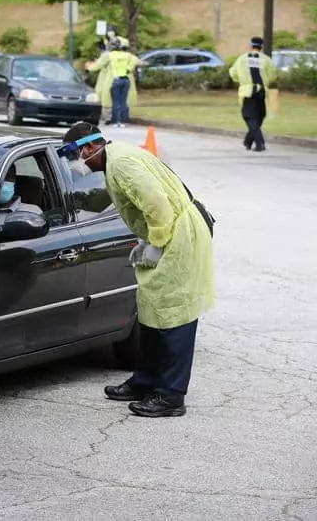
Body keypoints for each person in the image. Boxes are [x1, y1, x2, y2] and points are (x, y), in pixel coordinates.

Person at [59, 122, 214, 417]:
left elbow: (156, 204)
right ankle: (146, 381)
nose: (76, 163)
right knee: (152, 309)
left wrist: (155, 241)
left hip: (178, 237)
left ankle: (170, 396)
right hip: (168, 233)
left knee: (174, 315)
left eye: (75, 155)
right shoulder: (115, 160)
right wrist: (146, 239)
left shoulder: (121, 164)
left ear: (91, 147)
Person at [229, 36, 276, 152]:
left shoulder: (241, 59)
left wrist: (242, 81)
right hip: (261, 92)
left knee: (249, 117)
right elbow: (272, 76)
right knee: (260, 116)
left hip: (247, 92)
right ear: (261, 47)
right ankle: (249, 140)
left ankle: (259, 143)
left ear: (250, 45)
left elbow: (233, 73)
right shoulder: (266, 60)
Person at [87, 38, 141, 128]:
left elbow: (97, 66)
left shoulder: (109, 56)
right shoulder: (127, 55)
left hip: (113, 80)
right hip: (125, 79)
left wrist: (89, 67)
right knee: (123, 101)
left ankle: (114, 121)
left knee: (114, 102)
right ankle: (124, 121)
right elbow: (135, 61)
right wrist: (129, 69)